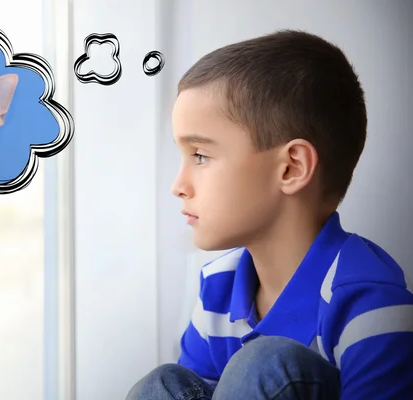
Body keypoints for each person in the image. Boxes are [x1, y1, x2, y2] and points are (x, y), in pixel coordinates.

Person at [126, 29, 413, 400]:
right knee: (161, 384)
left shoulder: (367, 303)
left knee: (265, 363)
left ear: (291, 169)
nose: (178, 185)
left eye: (200, 155)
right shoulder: (219, 287)